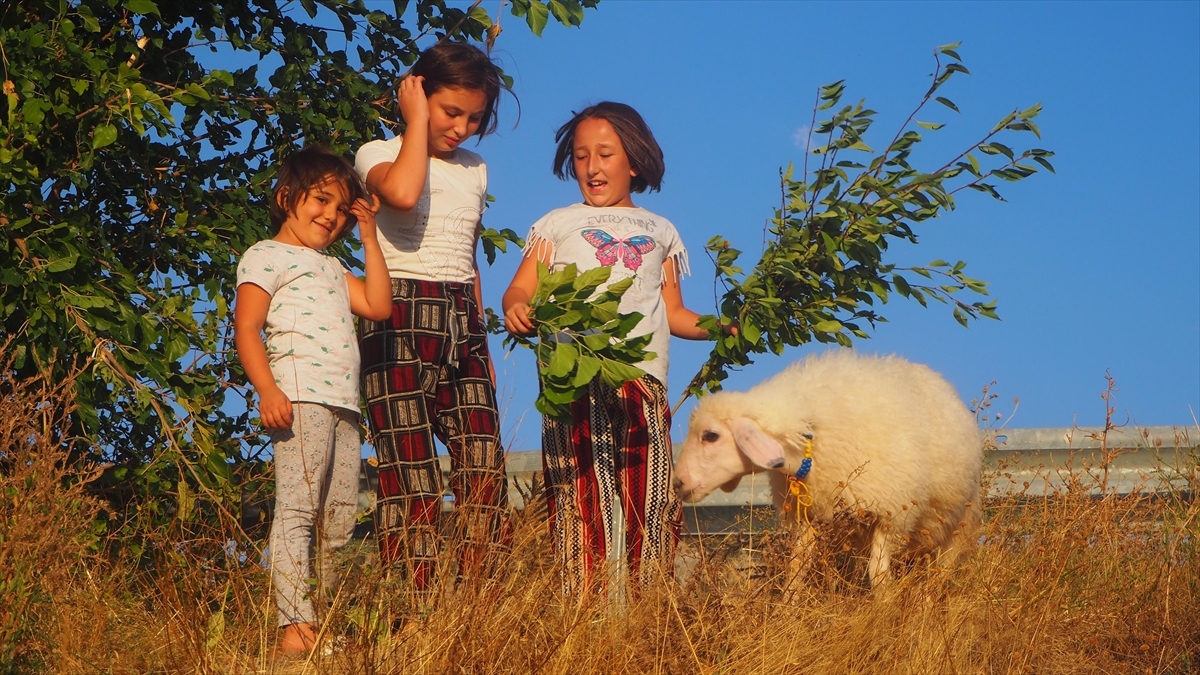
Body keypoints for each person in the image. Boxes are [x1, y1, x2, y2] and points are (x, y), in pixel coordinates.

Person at [502, 102, 713, 595]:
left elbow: (676, 314)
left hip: (639, 375)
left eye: (604, 154)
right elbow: (519, 289)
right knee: (580, 491)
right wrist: (515, 307)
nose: (591, 167)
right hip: (571, 375)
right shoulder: (556, 223)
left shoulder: (661, 231)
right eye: (580, 156)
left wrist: (727, 327)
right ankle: (585, 607)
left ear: (633, 161)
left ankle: (646, 604)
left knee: (650, 488)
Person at [354, 41, 512, 596]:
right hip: (396, 314)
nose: (463, 128)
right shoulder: (377, 153)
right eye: (451, 112)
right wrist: (416, 122)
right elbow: (402, 193)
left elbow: (467, 259)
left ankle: (477, 600)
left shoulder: (475, 169)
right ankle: (414, 606)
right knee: (410, 471)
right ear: (417, 92)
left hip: (462, 318)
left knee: (484, 459)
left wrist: (483, 346)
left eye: (475, 117)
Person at [234, 146, 392, 653]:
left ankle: (320, 622)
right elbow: (247, 328)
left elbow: (378, 304)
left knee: (340, 517)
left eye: (341, 208)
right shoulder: (266, 254)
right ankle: (294, 626)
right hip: (299, 398)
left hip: (345, 404)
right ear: (287, 198)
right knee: (298, 511)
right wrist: (267, 389)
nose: (331, 215)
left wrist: (369, 236)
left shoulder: (331, 265)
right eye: (321, 200)